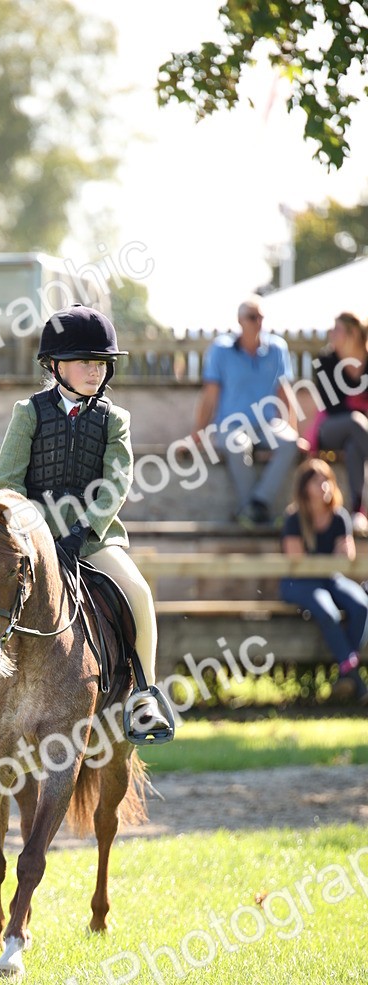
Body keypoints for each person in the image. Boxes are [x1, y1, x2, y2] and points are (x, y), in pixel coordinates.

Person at [0, 305, 174, 743]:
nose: (96, 371)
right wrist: (37, 535)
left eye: (101, 363)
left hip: (92, 539)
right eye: (86, 362)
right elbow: (9, 483)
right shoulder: (29, 412)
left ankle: (143, 695)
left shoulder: (115, 420)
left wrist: (79, 533)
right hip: (30, 540)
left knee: (139, 594)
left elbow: (116, 483)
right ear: (55, 367)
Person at [193, 295, 300, 527]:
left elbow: (285, 393)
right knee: (238, 445)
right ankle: (253, 510)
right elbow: (209, 396)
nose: (258, 322)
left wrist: (293, 430)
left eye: (261, 316)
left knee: (290, 442)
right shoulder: (221, 349)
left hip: (267, 425)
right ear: (240, 321)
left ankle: (255, 506)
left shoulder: (278, 348)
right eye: (252, 317)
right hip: (230, 425)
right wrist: (197, 435)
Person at [280, 458, 368, 704]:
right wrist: (331, 559)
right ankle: (355, 680)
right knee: (328, 612)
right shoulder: (294, 519)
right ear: (304, 487)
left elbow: (345, 558)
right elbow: (298, 562)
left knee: (361, 604)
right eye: (317, 481)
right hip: (299, 583)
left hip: (330, 579)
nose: (324, 486)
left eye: (327, 480)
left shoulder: (340, 518)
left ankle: (346, 675)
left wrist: (339, 556)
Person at [308, 312, 368, 537]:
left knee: (355, 447)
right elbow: (331, 407)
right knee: (355, 421)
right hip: (330, 429)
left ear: (352, 334)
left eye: (337, 329)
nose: (331, 334)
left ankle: (358, 511)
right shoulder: (325, 361)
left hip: (360, 435)